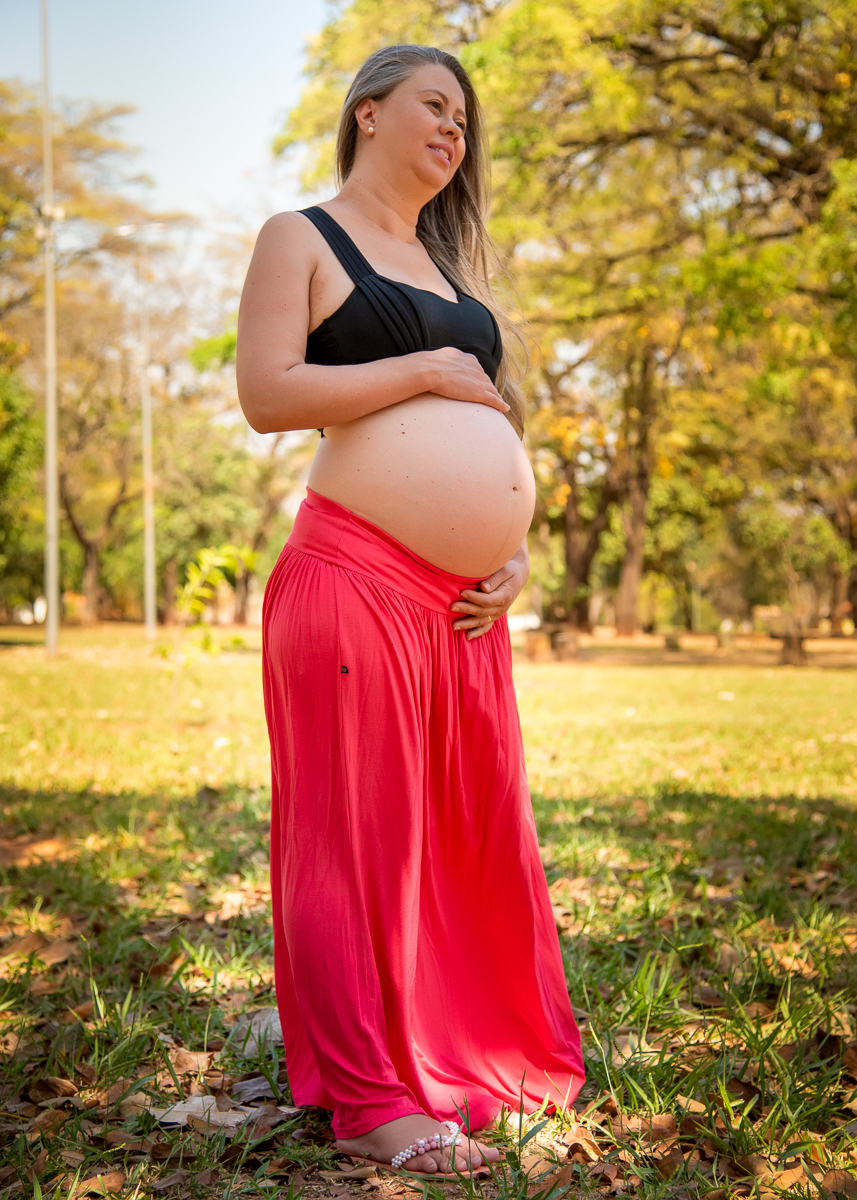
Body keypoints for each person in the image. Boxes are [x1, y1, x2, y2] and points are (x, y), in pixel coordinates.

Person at [236, 43, 584, 1177]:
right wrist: (422, 371)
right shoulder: (302, 237)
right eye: (433, 106)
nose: (452, 130)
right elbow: (266, 392)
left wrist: (511, 548)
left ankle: (464, 1054)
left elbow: (487, 426)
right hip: (353, 580)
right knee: (356, 845)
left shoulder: (447, 272)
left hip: (463, 609)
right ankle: (369, 1100)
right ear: (367, 113)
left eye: (463, 121)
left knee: (466, 841)